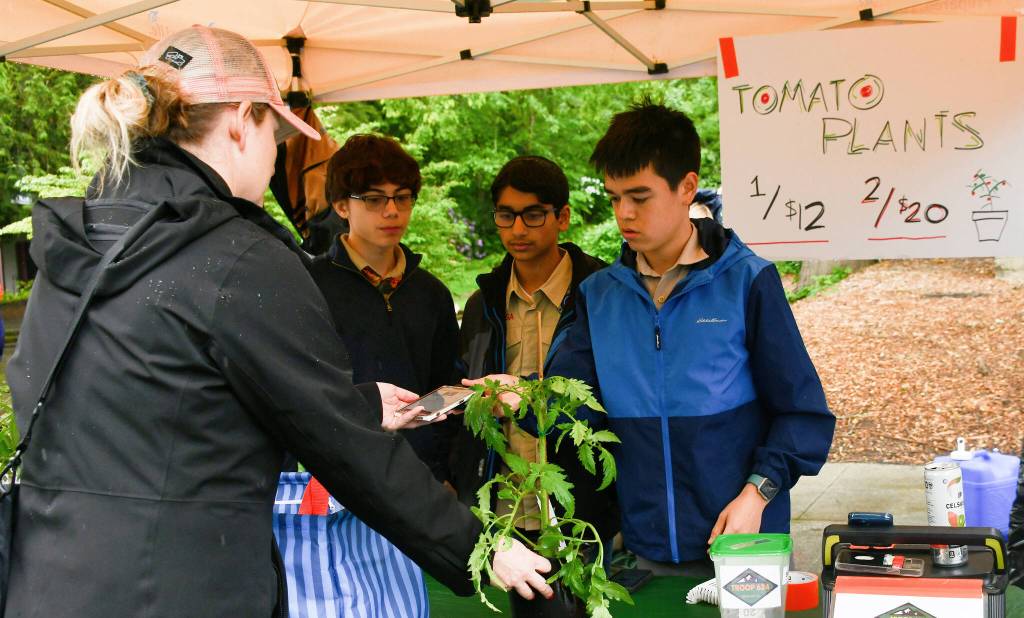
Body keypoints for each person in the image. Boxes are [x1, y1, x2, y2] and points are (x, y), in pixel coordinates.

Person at [3, 26, 551, 617]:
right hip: (178, 588)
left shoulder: (87, 239)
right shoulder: (236, 255)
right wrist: (481, 547)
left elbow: (162, 397)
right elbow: (342, 447)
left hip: (50, 581)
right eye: (276, 134)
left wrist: (361, 404)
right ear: (243, 119)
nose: (276, 159)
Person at [467, 102, 835, 578]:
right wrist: (525, 400)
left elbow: (802, 414)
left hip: (745, 545)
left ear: (686, 187)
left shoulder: (747, 282)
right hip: (643, 552)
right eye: (615, 196)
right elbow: (570, 408)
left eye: (639, 197)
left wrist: (756, 494)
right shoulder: (598, 295)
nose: (624, 213)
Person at [452, 155, 619, 546]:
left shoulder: (602, 294)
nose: (518, 229)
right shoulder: (483, 302)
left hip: (583, 513)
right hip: (503, 509)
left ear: (562, 217)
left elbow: (617, 397)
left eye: (533, 215)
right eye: (506, 216)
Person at [309, 134, 461, 484]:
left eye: (402, 198)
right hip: (338, 480)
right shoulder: (309, 287)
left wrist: (443, 473)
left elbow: (445, 392)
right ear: (341, 205)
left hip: (419, 479)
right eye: (374, 199)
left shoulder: (431, 293)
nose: (392, 211)